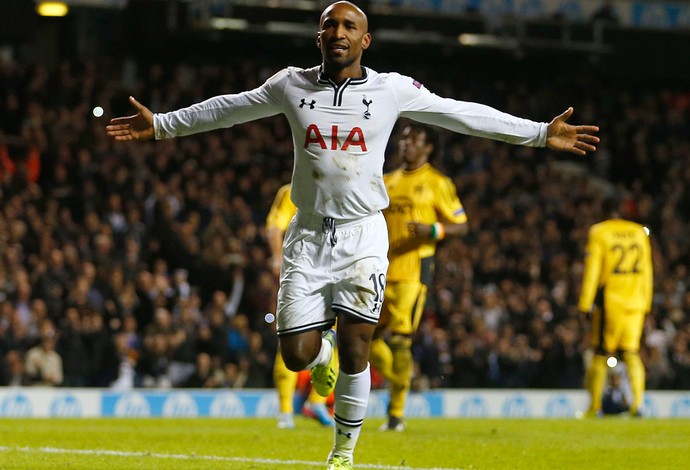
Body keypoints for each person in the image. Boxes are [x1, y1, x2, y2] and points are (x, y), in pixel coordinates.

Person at [107, 2, 599, 467]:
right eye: (329, 25)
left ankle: (343, 451)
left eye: (348, 27)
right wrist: (165, 125)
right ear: (318, 35)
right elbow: (229, 107)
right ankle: (321, 354)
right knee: (296, 354)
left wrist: (538, 133)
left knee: (359, 346)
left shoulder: (391, 90)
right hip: (307, 237)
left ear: (366, 39)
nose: (338, 33)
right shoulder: (290, 85)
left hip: (364, 236)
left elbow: (459, 112)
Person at [370, 122, 468, 431]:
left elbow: (461, 224)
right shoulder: (386, 180)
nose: (405, 143)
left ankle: (396, 414)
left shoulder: (437, 182)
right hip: (379, 269)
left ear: (428, 148)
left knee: (400, 340)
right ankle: (400, 377)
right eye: (403, 138)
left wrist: (434, 230)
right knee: (366, 339)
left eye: (414, 140)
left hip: (414, 272)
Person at [267, 183, 335, 429]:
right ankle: (285, 411)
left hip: (334, 272)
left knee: (333, 336)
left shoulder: (341, 188)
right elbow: (275, 227)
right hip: (301, 273)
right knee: (290, 338)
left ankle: (317, 401)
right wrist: (277, 257)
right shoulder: (292, 191)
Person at [578, 197, 652, 417]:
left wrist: (585, 303)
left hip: (611, 302)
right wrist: (646, 302)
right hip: (636, 302)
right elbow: (648, 271)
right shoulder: (639, 232)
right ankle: (638, 405)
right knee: (631, 352)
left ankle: (594, 407)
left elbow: (593, 269)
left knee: (600, 352)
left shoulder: (599, 232)